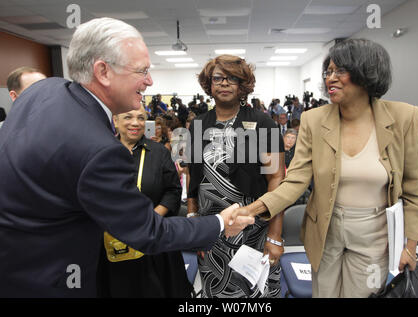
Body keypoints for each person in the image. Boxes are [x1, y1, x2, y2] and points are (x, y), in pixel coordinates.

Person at [0, 17, 253, 298]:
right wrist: (220, 222)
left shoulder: (42, 91)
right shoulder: (98, 150)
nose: (150, 80)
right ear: (103, 71)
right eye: (142, 70)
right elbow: (148, 232)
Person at [231, 39, 418, 298]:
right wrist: (251, 209)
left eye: (340, 71)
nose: (330, 79)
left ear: (366, 72)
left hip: (374, 233)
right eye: (328, 72)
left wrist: (410, 247)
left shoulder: (404, 117)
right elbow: (295, 182)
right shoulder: (314, 119)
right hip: (324, 230)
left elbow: (414, 190)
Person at [187, 54, 285, 298]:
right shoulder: (198, 125)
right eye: (217, 78)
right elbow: (192, 179)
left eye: (232, 78)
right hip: (212, 232)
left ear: (243, 85)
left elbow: (277, 182)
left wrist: (275, 236)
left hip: (254, 231)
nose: (223, 83)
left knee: (254, 297)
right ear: (209, 84)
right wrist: (193, 220)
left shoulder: (263, 124)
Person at [97, 105, 192, 297]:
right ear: (115, 120)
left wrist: (153, 218)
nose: (135, 123)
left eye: (141, 118)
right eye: (128, 117)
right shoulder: (102, 152)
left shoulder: (158, 152)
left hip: (154, 238)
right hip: (113, 241)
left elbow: (173, 191)